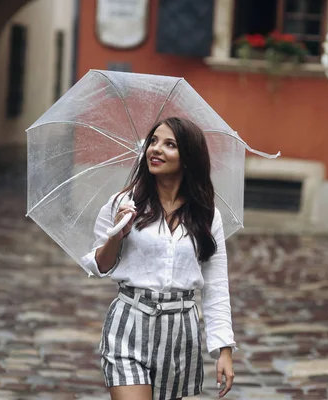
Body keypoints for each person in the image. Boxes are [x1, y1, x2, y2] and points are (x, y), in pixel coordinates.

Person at [80, 117, 236, 400]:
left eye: (169, 144)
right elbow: (99, 265)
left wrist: (223, 348)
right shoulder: (124, 203)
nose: (156, 149)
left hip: (180, 331)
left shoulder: (207, 215)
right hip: (129, 321)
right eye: (153, 141)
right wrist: (117, 233)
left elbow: (216, 286)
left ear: (188, 157)